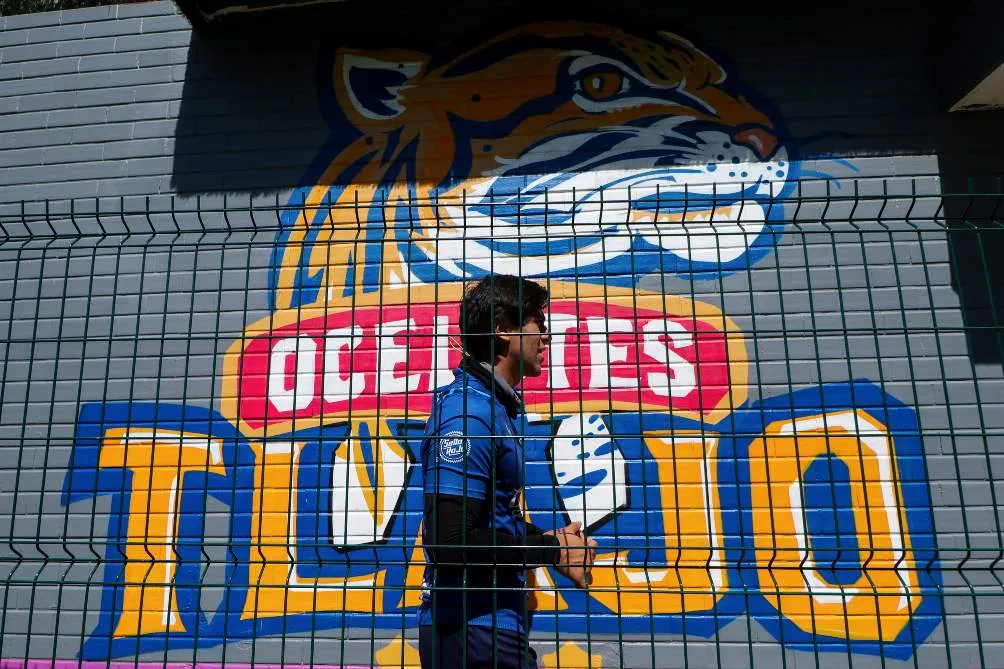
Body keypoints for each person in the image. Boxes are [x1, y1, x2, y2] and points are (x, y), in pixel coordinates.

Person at [418, 274, 597, 669]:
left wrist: (550, 543)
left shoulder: (496, 407)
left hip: (491, 628)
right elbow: (450, 543)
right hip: (470, 629)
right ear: (503, 330)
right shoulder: (468, 413)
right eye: (538, 323)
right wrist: (551, 549)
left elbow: (490, 521)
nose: (546, 336)